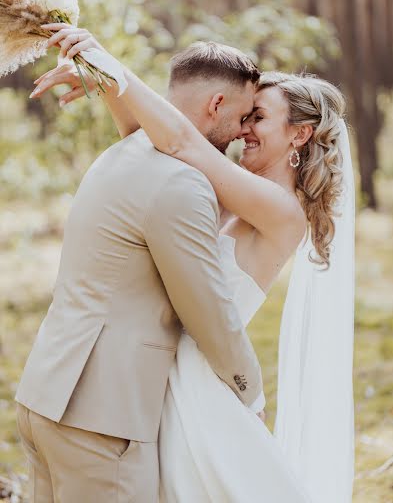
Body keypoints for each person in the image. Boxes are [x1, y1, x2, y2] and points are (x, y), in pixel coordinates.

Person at [28, 24, 355, 503]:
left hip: (203, 384)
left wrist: (113, 69)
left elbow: (181, 141)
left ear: (299, 134)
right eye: (245, 115)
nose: (243, 130)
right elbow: (157, 143)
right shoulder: (234, 192)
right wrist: (110, 88)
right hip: (158, 381)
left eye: (258, 117)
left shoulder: (282, 210)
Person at [16, 37, 266, 503]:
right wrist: (250, 393)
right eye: (243, 115)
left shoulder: (124, 152)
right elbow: (208, 310)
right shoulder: (181, 184)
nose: (241, 131)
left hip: (44, 398)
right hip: (101, 421)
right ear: (216, 103)